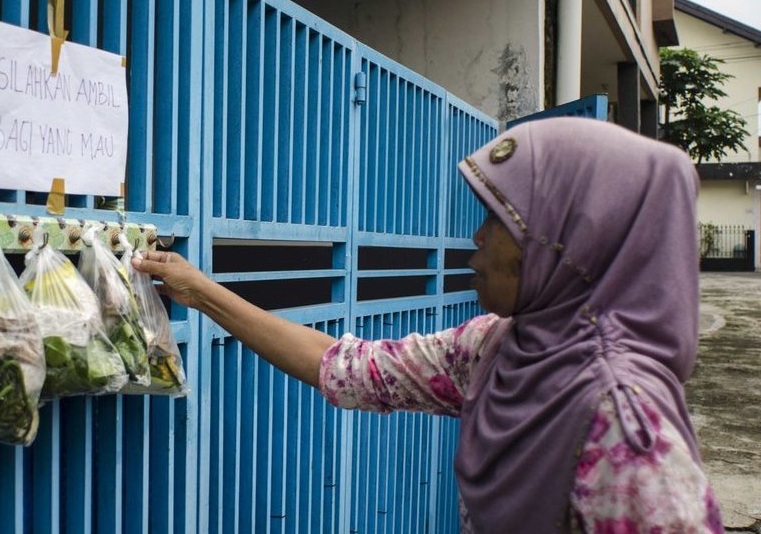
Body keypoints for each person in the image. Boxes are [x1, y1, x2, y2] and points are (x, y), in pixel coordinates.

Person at [132, 117, 723, 533]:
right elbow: (345, 366)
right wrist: (199, 291)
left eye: (500, 220)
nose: (477, 237)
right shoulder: (495, 347)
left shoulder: (626, 424)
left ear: (568, 242)